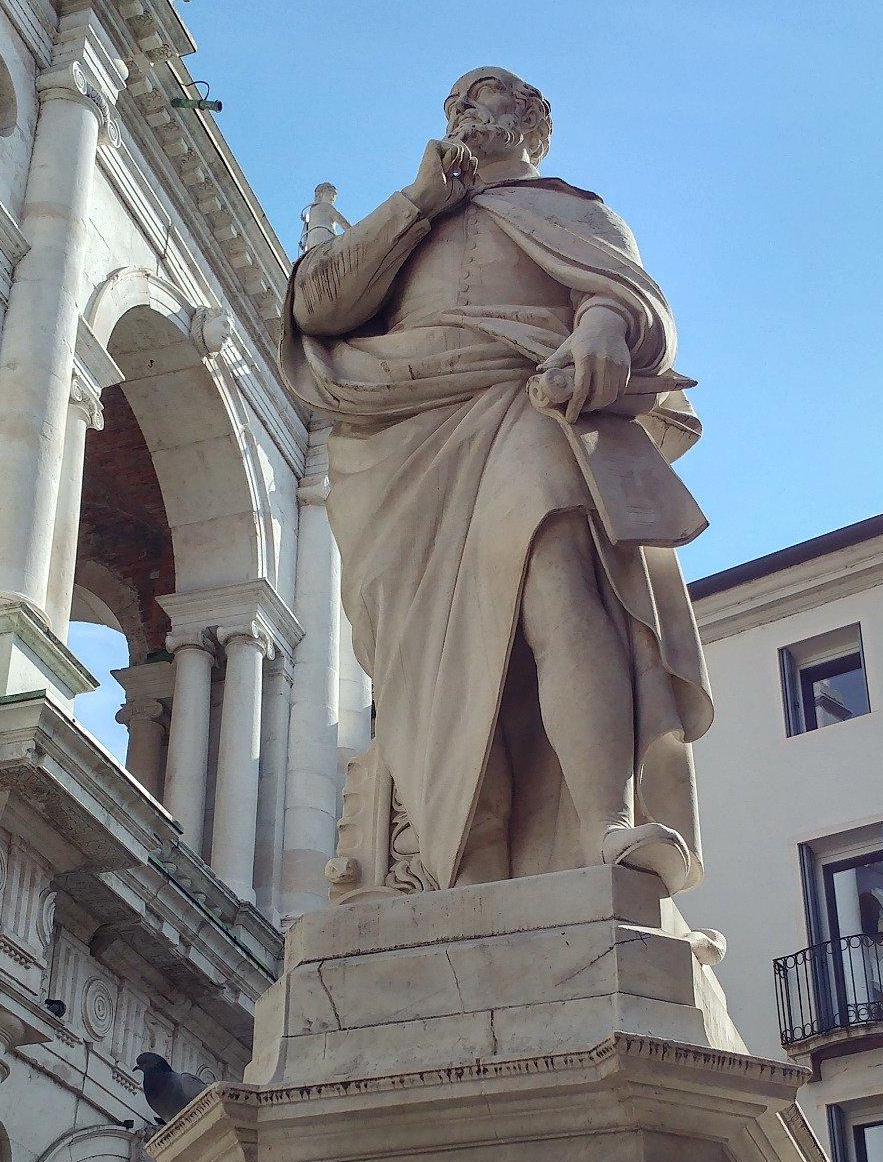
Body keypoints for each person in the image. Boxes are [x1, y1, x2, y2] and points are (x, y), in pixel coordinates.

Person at [282, 67, 713, 892]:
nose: (460, 109)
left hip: (527, 401)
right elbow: (317, 308)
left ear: (531, 122)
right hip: (402, 445)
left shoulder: (577, 211)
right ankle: (468, 871)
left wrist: (599, 323)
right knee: (430, 663)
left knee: (558, 574)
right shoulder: (414, 217)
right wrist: (419, 201)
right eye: (453, 102)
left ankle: (607, 824)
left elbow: (631, 302)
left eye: (482, 95)